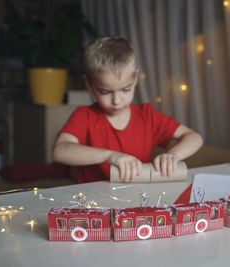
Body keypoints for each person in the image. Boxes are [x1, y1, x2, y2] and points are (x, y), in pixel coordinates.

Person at [52, 36, 203, 183]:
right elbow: (60, 151)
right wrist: (109, 156)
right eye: (105, 92)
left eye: (125, 89)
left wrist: (173, 155)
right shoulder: (84, 115)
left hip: (139, 197)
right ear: (89, 84)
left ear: (135, 78)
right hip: (95, 202)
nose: (116, 101)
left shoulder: (147, 117)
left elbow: (194, 137)